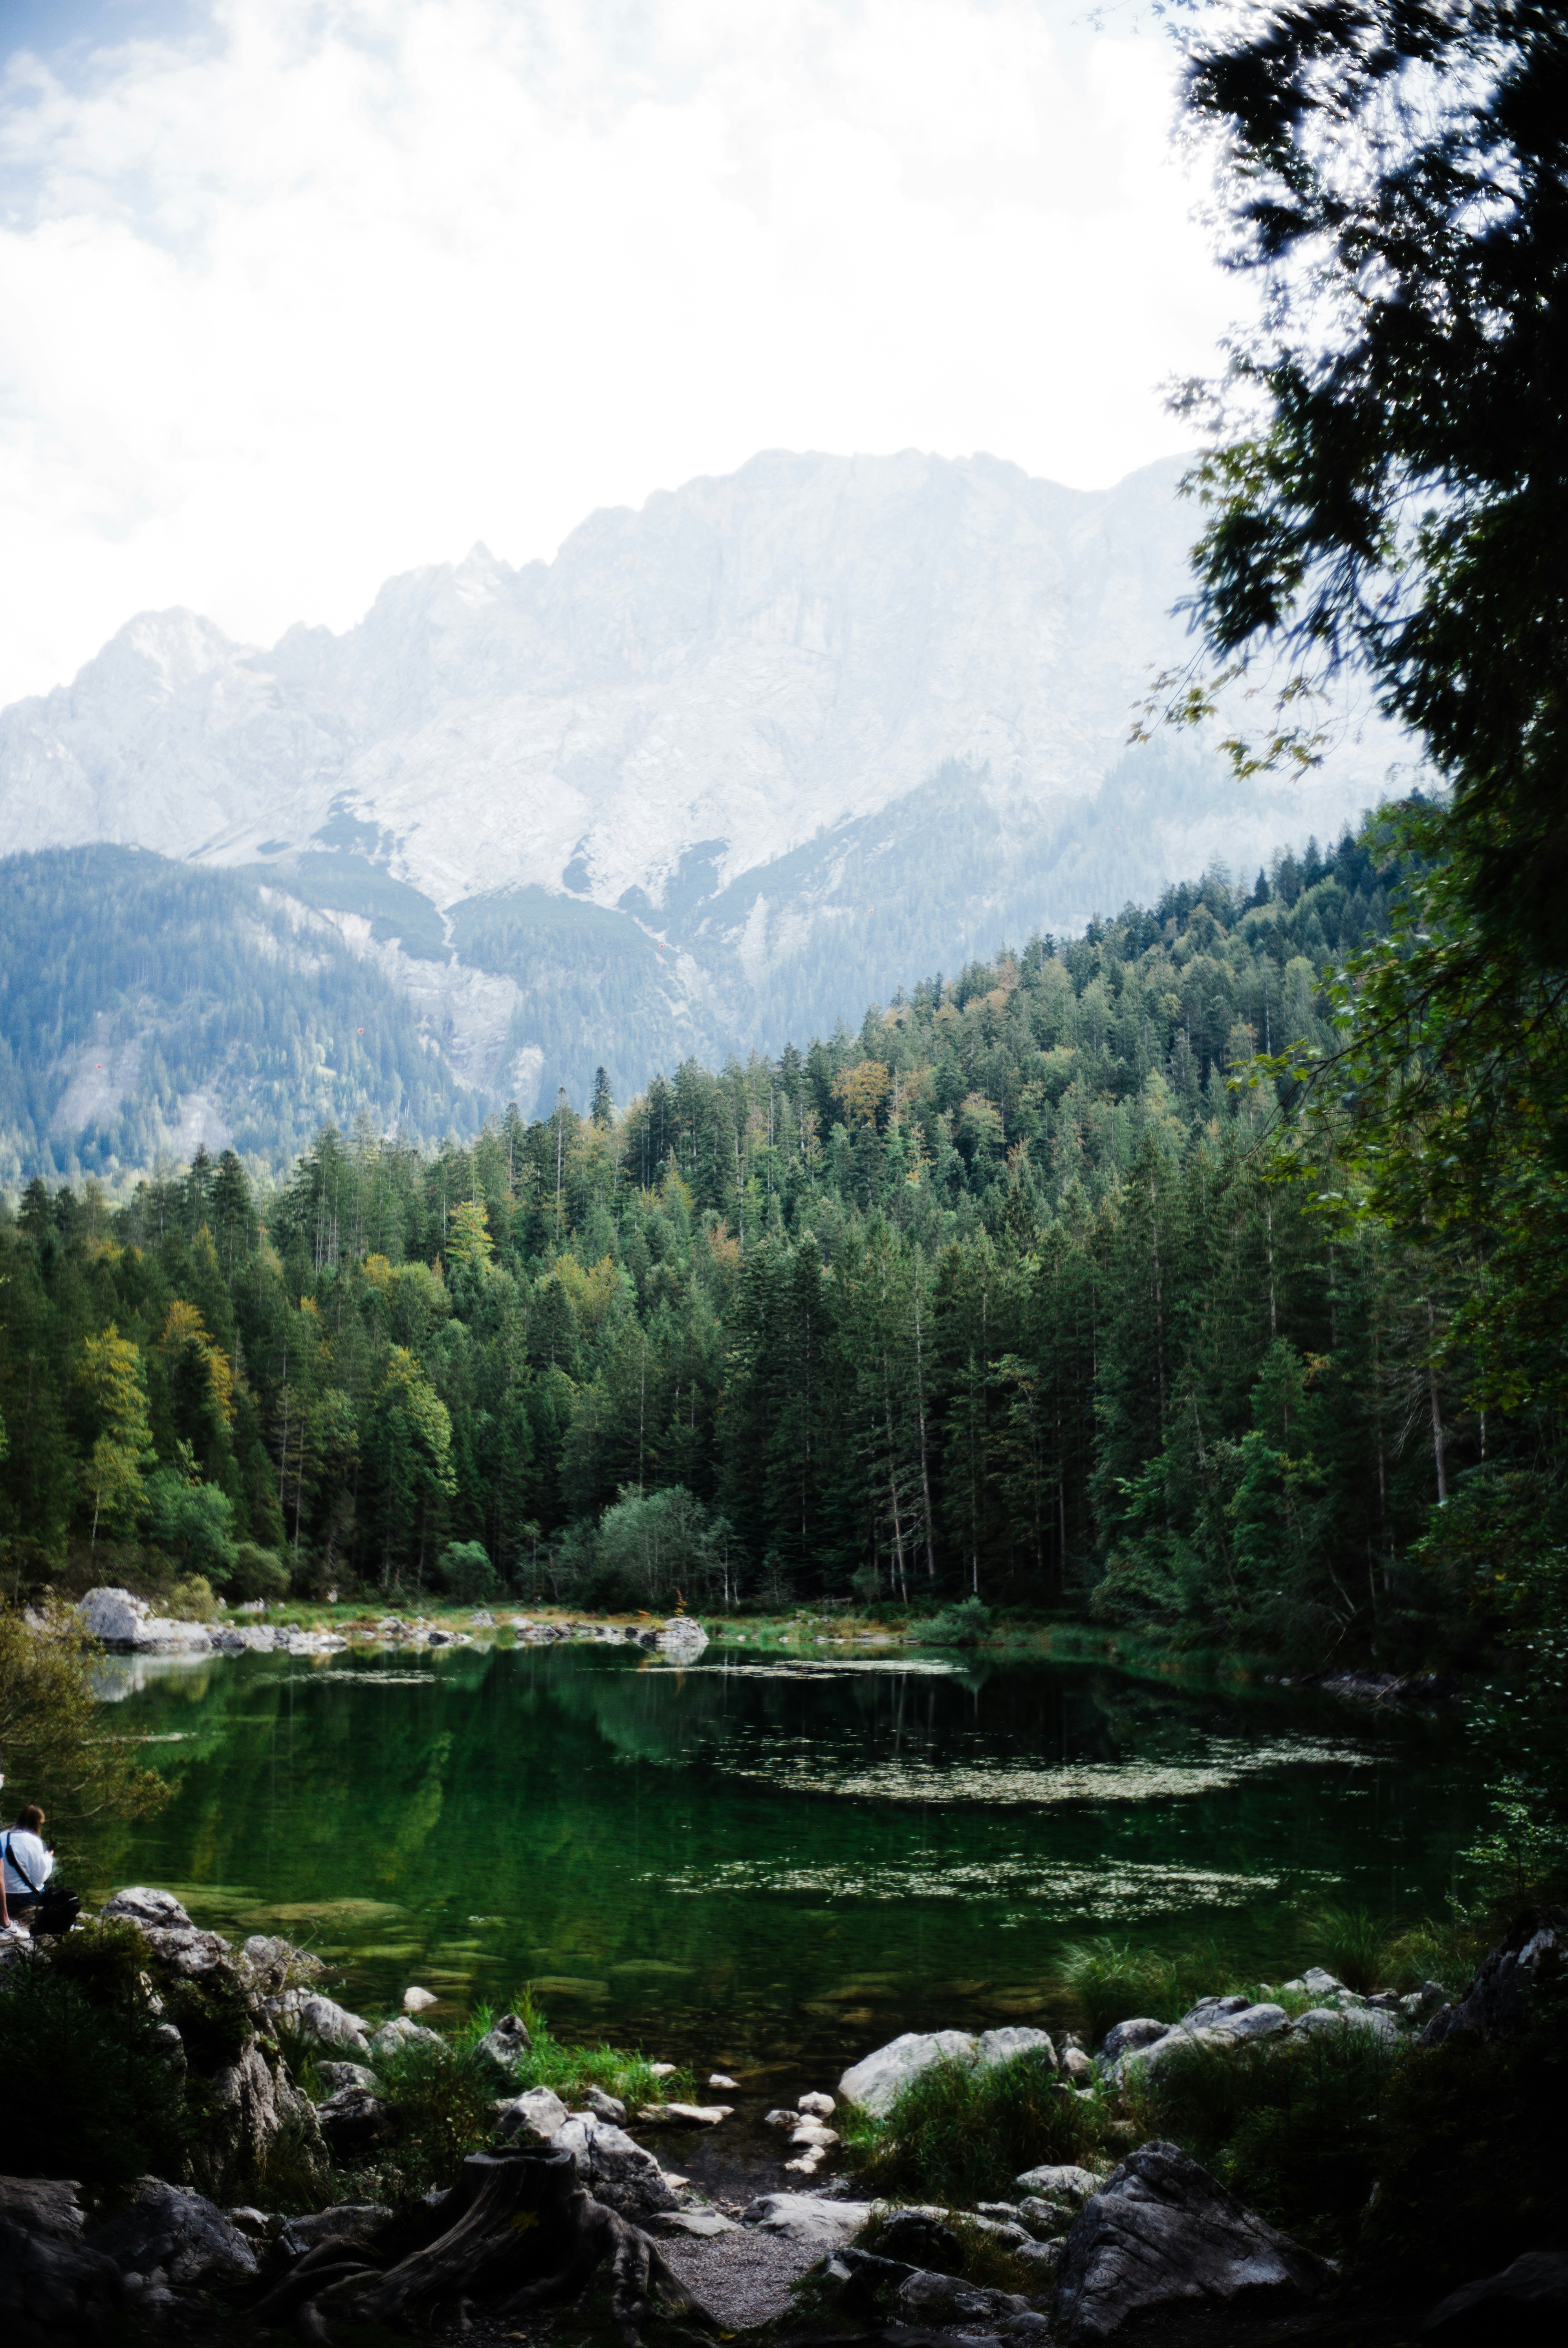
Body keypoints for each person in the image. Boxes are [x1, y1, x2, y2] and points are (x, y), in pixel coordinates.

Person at [0, 1804, 54, 1932]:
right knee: (50, 1890)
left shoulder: (2, 1836)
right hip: (23, 1899)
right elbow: (39, 1878)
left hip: (2, 1898)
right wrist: (49, 1858)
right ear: (37, 1824)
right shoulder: (33, 1841)